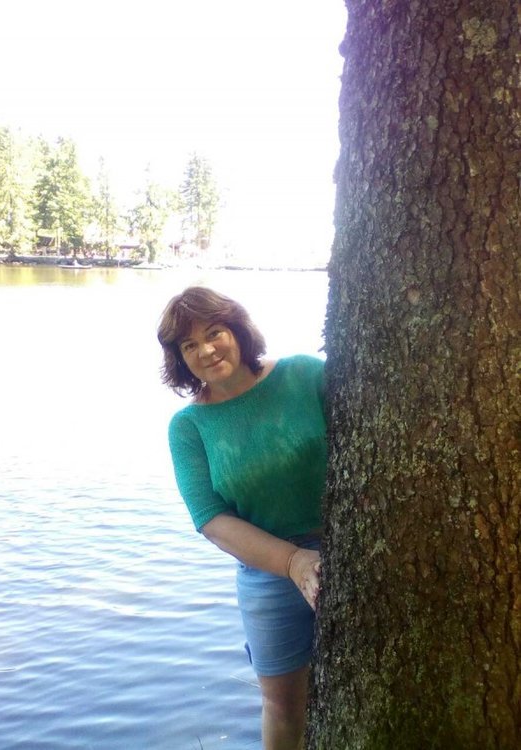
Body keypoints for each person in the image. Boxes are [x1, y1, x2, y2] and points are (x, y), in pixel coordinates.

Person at [157, 286, 327, 750]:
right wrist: (293, 562)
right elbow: (210, 518)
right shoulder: (188, 427)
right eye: (189, 345)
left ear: (237, 330)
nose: (206, 350)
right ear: (179, 358)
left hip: (352, 547)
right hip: (267, 573)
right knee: (283, 706)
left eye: (214, 333)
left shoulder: (304, 374)